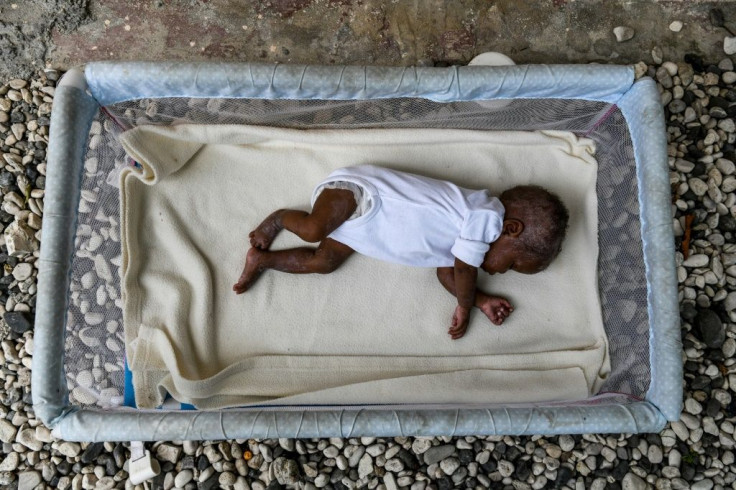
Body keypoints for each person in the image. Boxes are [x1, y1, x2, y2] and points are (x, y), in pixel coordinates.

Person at [233, 165, 569, 339]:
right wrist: (466, 305)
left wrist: (480, 300)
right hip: (361, 197)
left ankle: (262, 260)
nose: (498, 272)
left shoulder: (462, 248)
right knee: (312, 229)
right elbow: (464, 271)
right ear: (511, 229)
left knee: (324, 263)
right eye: (510, 264)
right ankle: (278, 219)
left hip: (362, 231)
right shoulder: (485, 215)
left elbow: (448, 273)